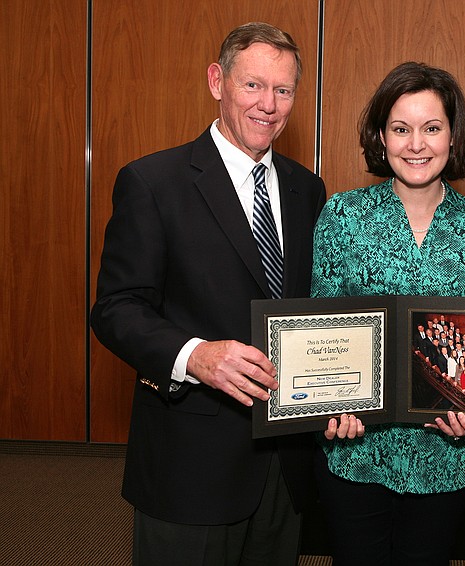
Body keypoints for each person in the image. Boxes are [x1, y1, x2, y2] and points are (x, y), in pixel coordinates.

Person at [90, 22, 326, 566]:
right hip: (189, 465)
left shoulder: (305, 188)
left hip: (284, 463)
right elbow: (116, 308)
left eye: (283, 90)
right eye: (253, 86)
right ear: (217, 81)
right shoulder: (153, 182)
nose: (269, 104)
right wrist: (194, 355)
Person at [311, 61, 465, 565]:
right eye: (401, 129)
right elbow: (321, 332)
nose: (416, 144)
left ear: (452, 135)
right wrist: (329, 405)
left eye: (431, 128)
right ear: (381, 136)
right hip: (356, 450)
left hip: (446, 454)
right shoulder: (342, 215)